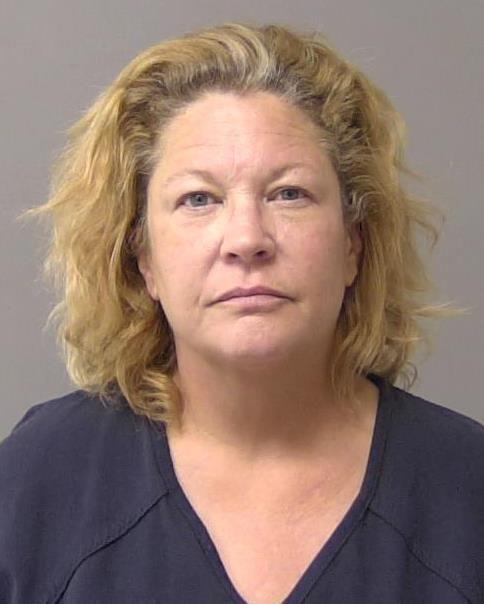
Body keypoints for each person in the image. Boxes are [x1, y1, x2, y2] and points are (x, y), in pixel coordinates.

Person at [1, 21, 483, 604]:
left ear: (353, 244)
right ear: (144, 257)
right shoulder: (36, 483)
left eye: (289, 193)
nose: (247, 239)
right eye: (199, 199)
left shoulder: (468, 490)